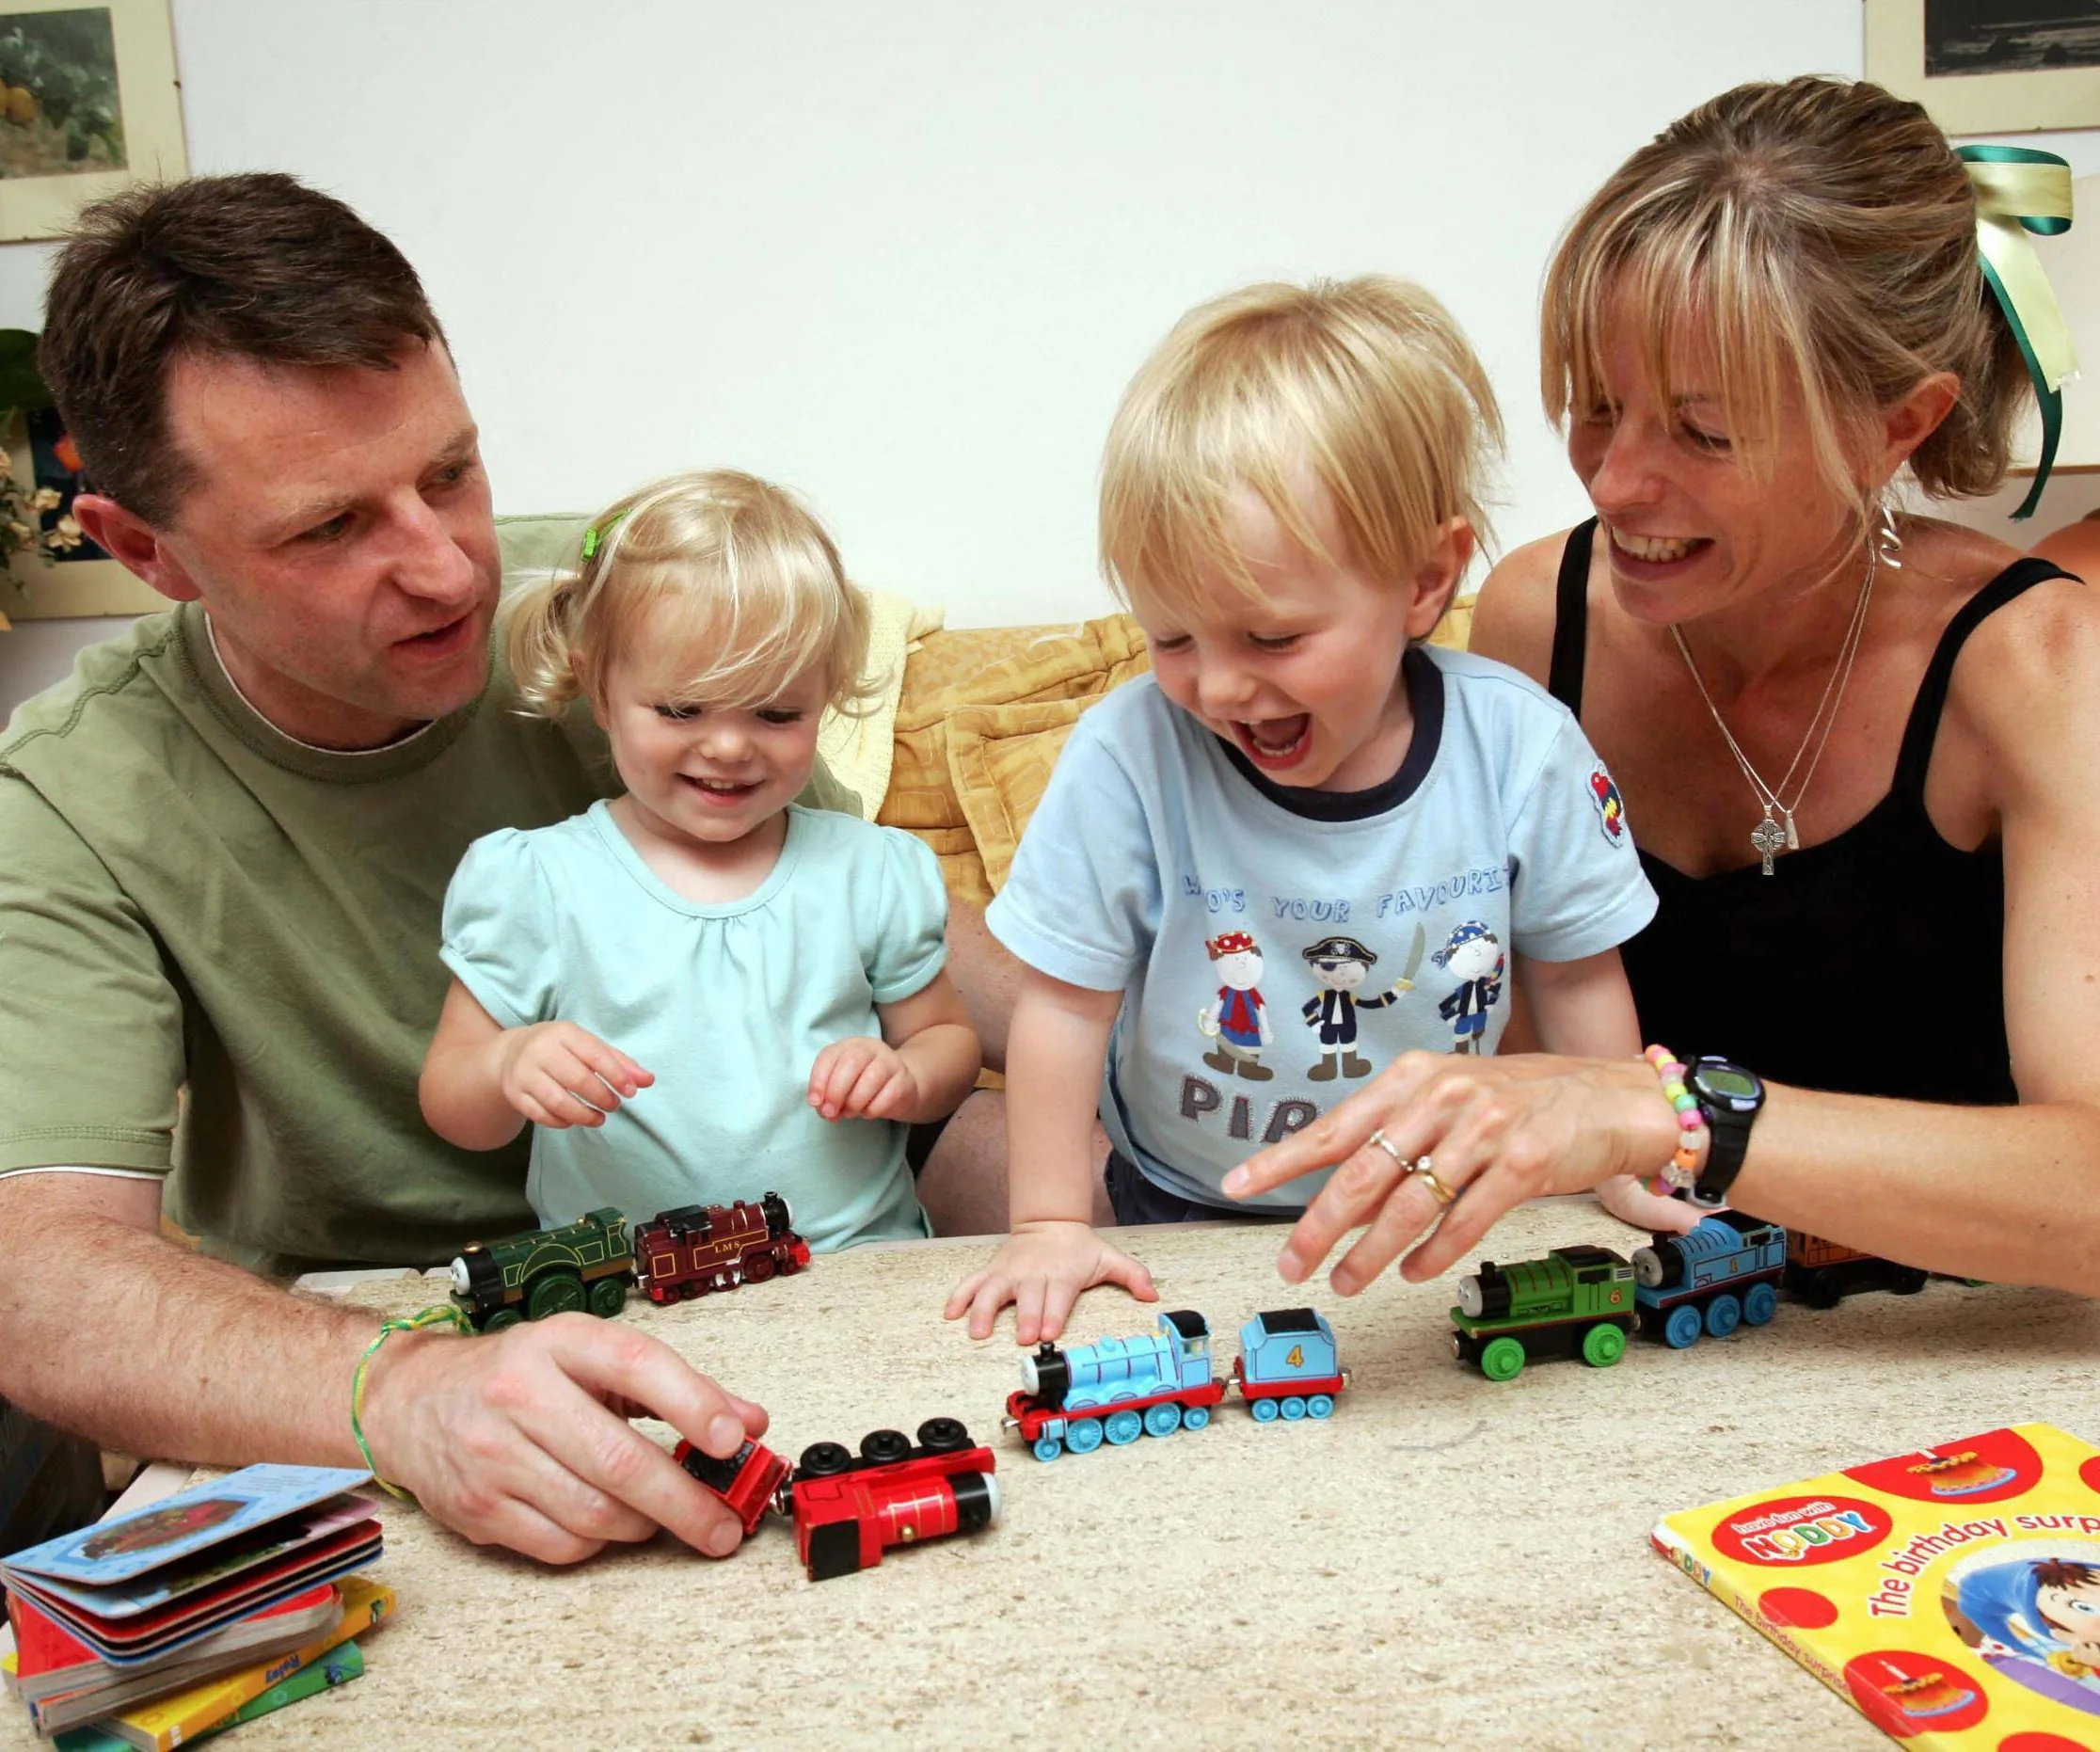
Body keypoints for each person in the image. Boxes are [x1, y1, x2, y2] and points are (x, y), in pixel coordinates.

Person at [0, 174, 1010, 1567]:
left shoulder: (609, 616)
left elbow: (940, 957)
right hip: (369, 1340)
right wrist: (399, 1390)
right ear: (143, 550)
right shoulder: (72, 790)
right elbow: (38, 1279)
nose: (448, 571)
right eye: (331, 527)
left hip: (763, 1272)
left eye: (451, 472)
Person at [1222, 77, 2100, 1303]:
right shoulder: (1541, 616)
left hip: (1958, 1374)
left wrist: (1671, 1112)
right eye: (1596, 404)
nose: (1615, 482)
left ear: (1893, 425)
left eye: (1701, 432)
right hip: (1662, 1321)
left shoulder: (2041, 670)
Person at [946, 277, 1692, 1345]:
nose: (1218, 688)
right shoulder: (1128, 753)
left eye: (1273, 638)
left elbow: (1575, 974)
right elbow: (1063, 1008)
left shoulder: (1519, 747)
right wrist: (1055, 1219)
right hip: (1182, 1199)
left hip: (1438, 1202)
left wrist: (1620, 1154)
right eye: (1173, 637)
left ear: (1426, 580)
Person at [421, 469, 979, 1240]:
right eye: (681, 709)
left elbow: (947, 1042)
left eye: (777, 712)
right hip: (622, 1277)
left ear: (828, 695)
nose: (727, 747)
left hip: (852, 1259)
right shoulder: (540, 881)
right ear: (597, 683)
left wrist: (908, 1075)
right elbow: (453, 1104)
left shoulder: (868, 870)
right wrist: (507, 1063)